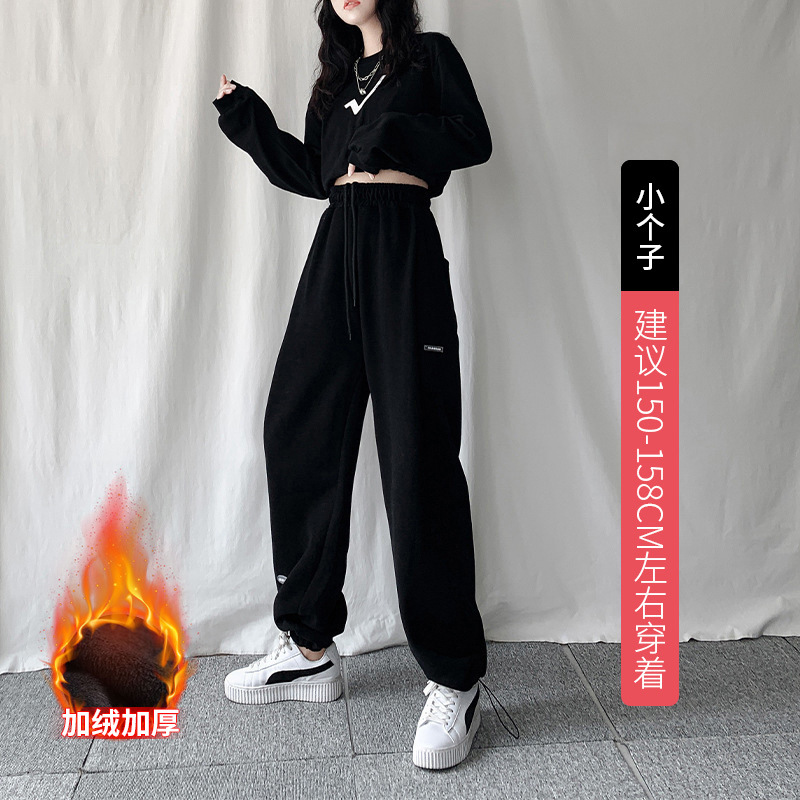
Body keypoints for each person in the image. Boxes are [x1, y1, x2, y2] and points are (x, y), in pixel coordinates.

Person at [212, 0, 517, 769]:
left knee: (417, 457)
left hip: (402, 247)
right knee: (296, 430)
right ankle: (309, 645)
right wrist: (248, 121)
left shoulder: (430, 58)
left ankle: (455, 676)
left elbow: (472, 137)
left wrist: (395, 132)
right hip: (336, 245)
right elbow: (316, 174)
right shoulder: (335, 83)